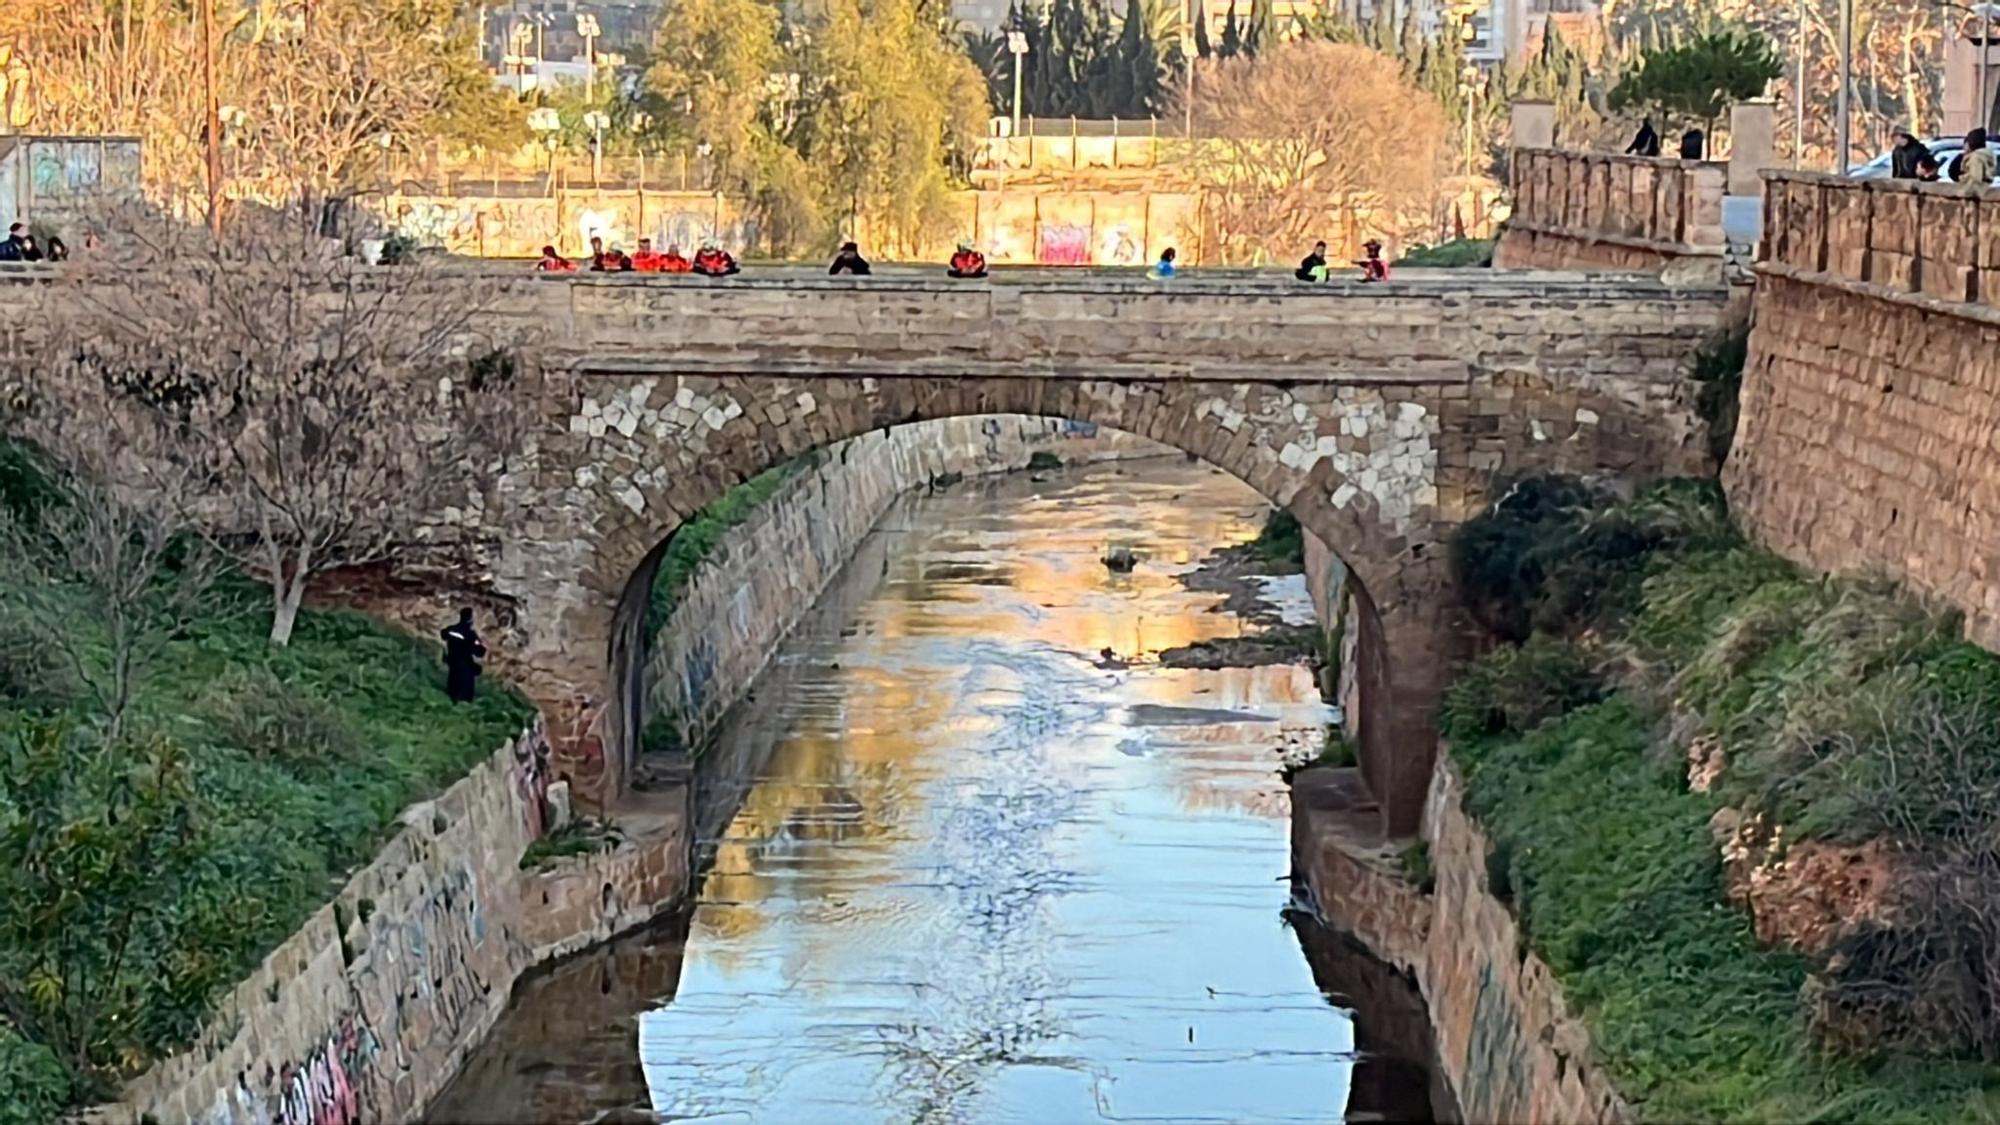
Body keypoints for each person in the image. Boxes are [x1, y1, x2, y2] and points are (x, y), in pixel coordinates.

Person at [440, 609, 486, 704]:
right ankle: (465, 702)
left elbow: (443, 634)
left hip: (453, 662)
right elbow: (479, 652)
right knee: (465, 689)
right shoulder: (470, 634)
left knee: (453, 685)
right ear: (470, 620)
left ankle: (452, 700)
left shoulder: (451, 629)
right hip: (465, 666)